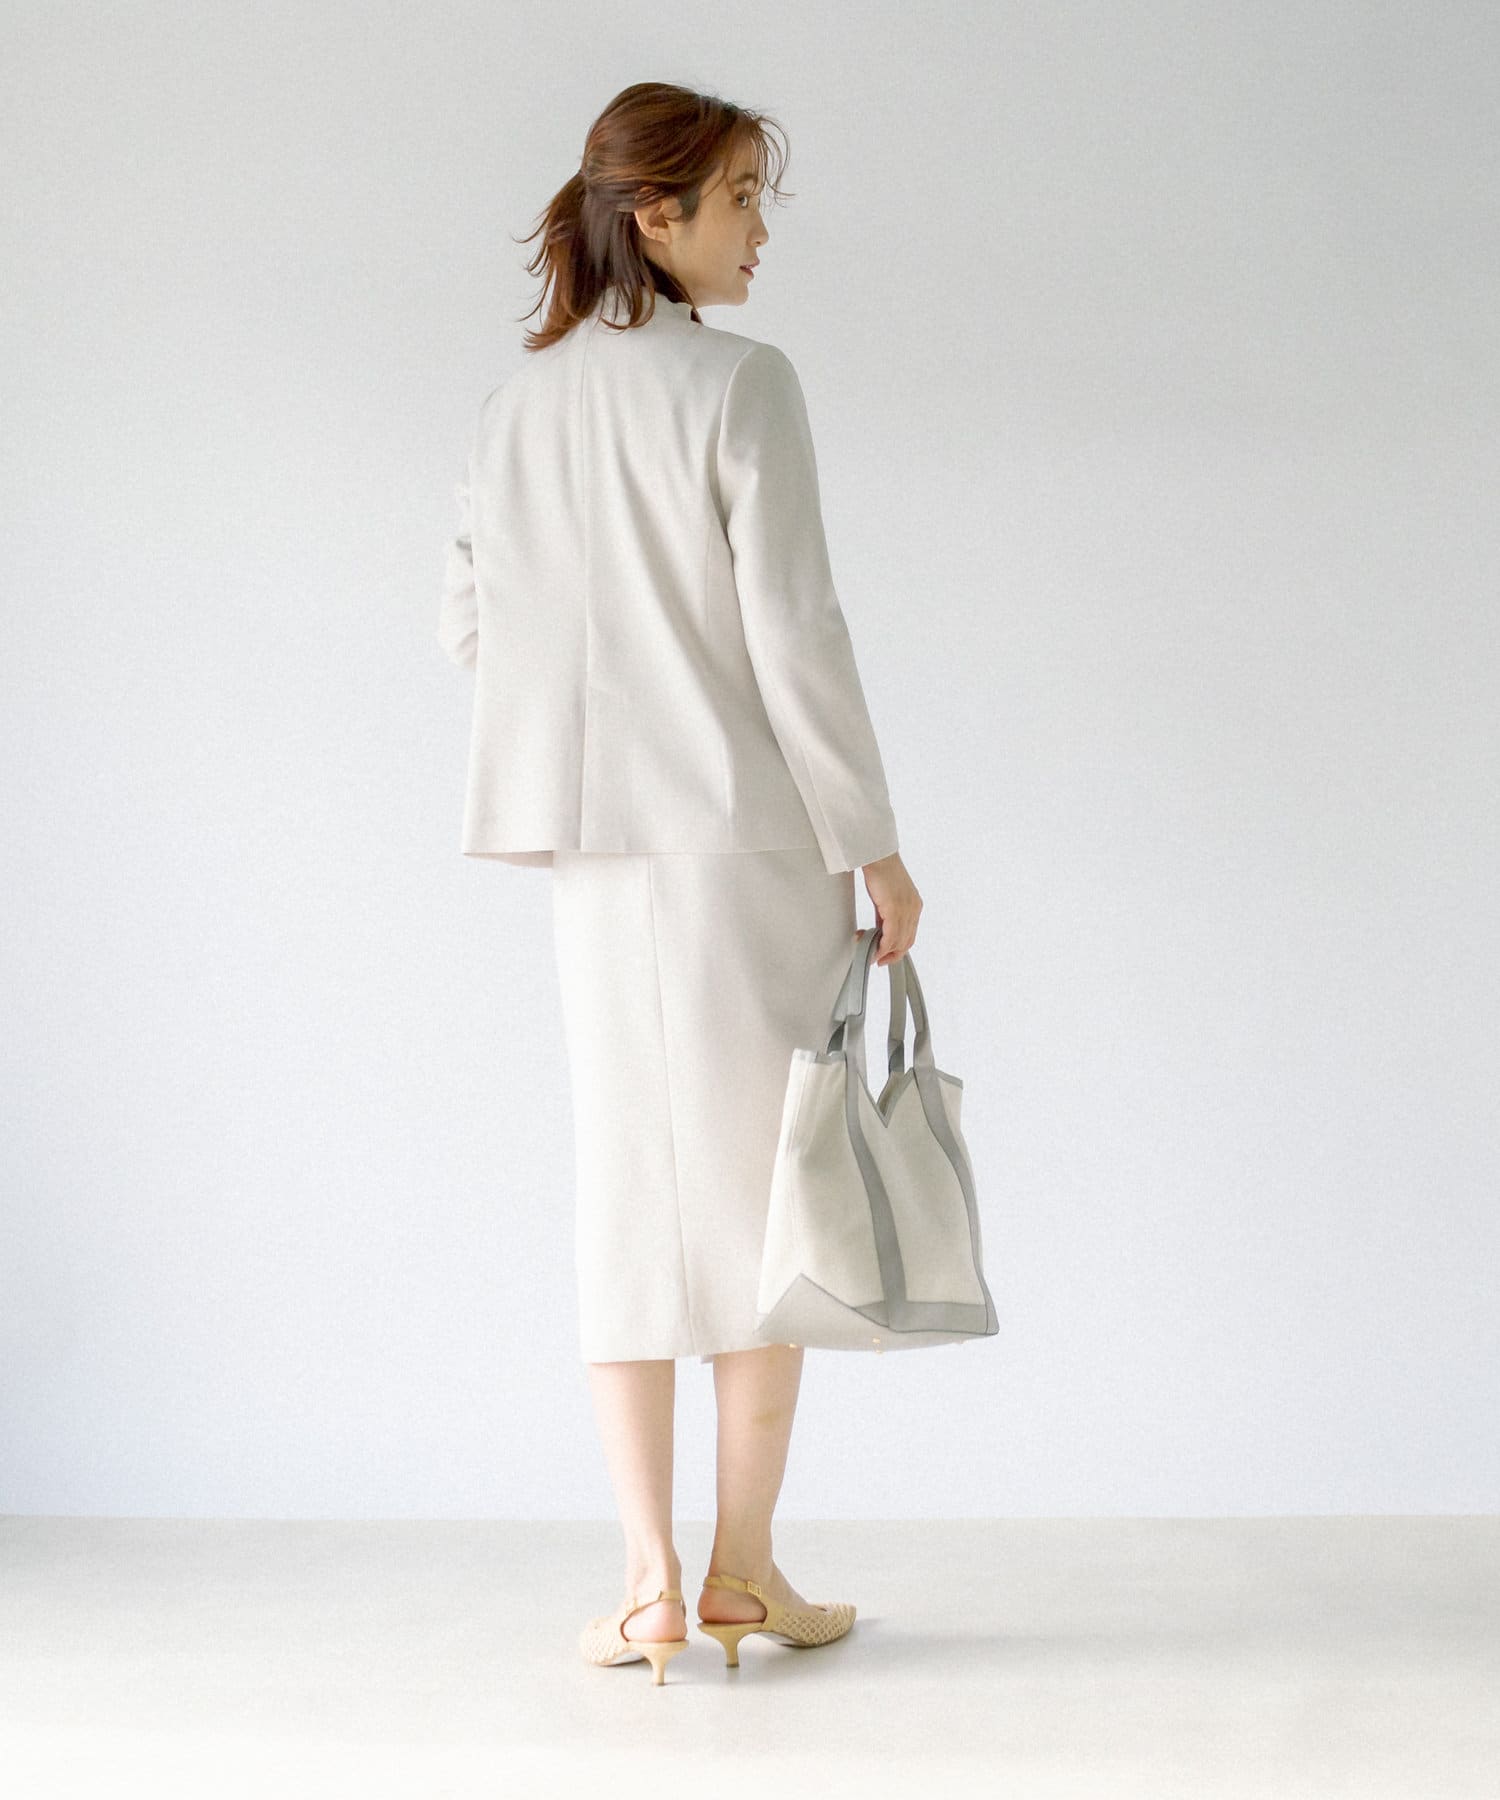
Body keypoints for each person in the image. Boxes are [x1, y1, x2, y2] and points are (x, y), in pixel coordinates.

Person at [437, 81, 922, 1682]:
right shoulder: (743, 385)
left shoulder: (516, 408)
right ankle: (741, 1573)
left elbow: (471, 625)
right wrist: (874, 843)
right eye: (740, 197)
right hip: (745, 843)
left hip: (595, 853)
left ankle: (646, 1586)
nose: (760, 229)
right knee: (766, 1197)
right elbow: (796, 631)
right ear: (657, 214)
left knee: (628, 1195)